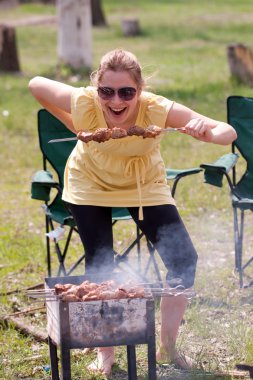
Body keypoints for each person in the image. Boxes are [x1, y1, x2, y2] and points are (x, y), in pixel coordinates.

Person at [29, 49, 237, 376]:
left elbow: (228, 131)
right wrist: (77, 126)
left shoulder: (156, 109)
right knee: (102, 266)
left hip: (143, 181)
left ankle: (167, 348)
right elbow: (35, 84)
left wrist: (206, 131)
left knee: (184, 260)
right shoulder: (83, 102)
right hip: (90, 181)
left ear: (140, 91)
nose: (115, 101)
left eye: (126, 92)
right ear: (96, 88)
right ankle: (106, 352)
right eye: (106, 91)